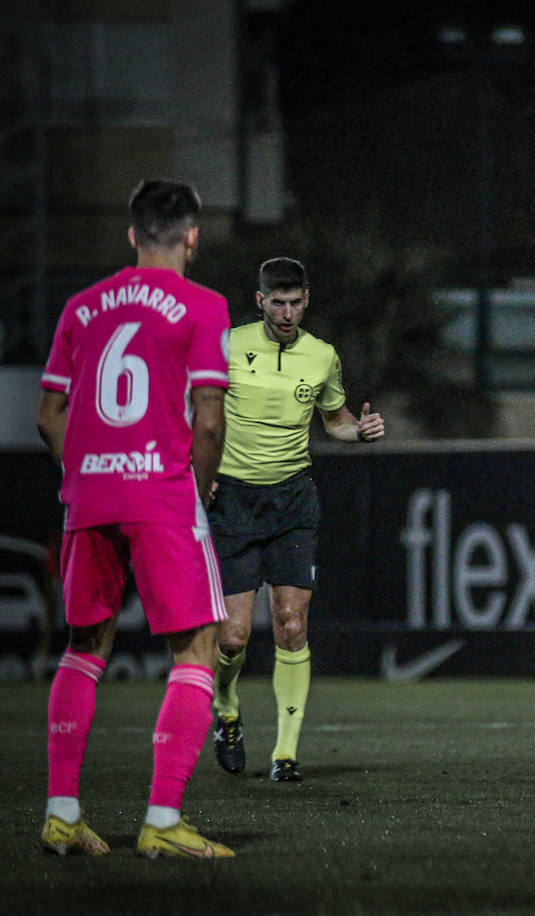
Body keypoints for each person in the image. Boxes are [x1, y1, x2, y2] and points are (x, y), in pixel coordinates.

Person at [36, 178, 235, 858]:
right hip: (161, 492)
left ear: (131, 235)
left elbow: (48, 416)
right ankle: (162, 821)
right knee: (197, 648)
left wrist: (86, 474)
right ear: (192, 237)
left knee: (84, 647)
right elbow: (208, 421)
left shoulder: (82, 306)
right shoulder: (203, 306)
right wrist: (198, 490)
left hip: (88, 497)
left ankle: (62, 814)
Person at [209, 256, 385, 782]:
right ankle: (227, 710)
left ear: (306, 300)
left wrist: (363, 428)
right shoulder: (227, 346)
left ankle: (285, 754)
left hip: (293, 499)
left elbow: (335, 420)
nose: (286, 312)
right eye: (276, 302)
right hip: (234, 500)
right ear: (259, 300)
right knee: (234, 637)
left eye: (295, 302)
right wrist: (201, 466)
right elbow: (193, 408)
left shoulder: (322, 356)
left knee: (291, 625)